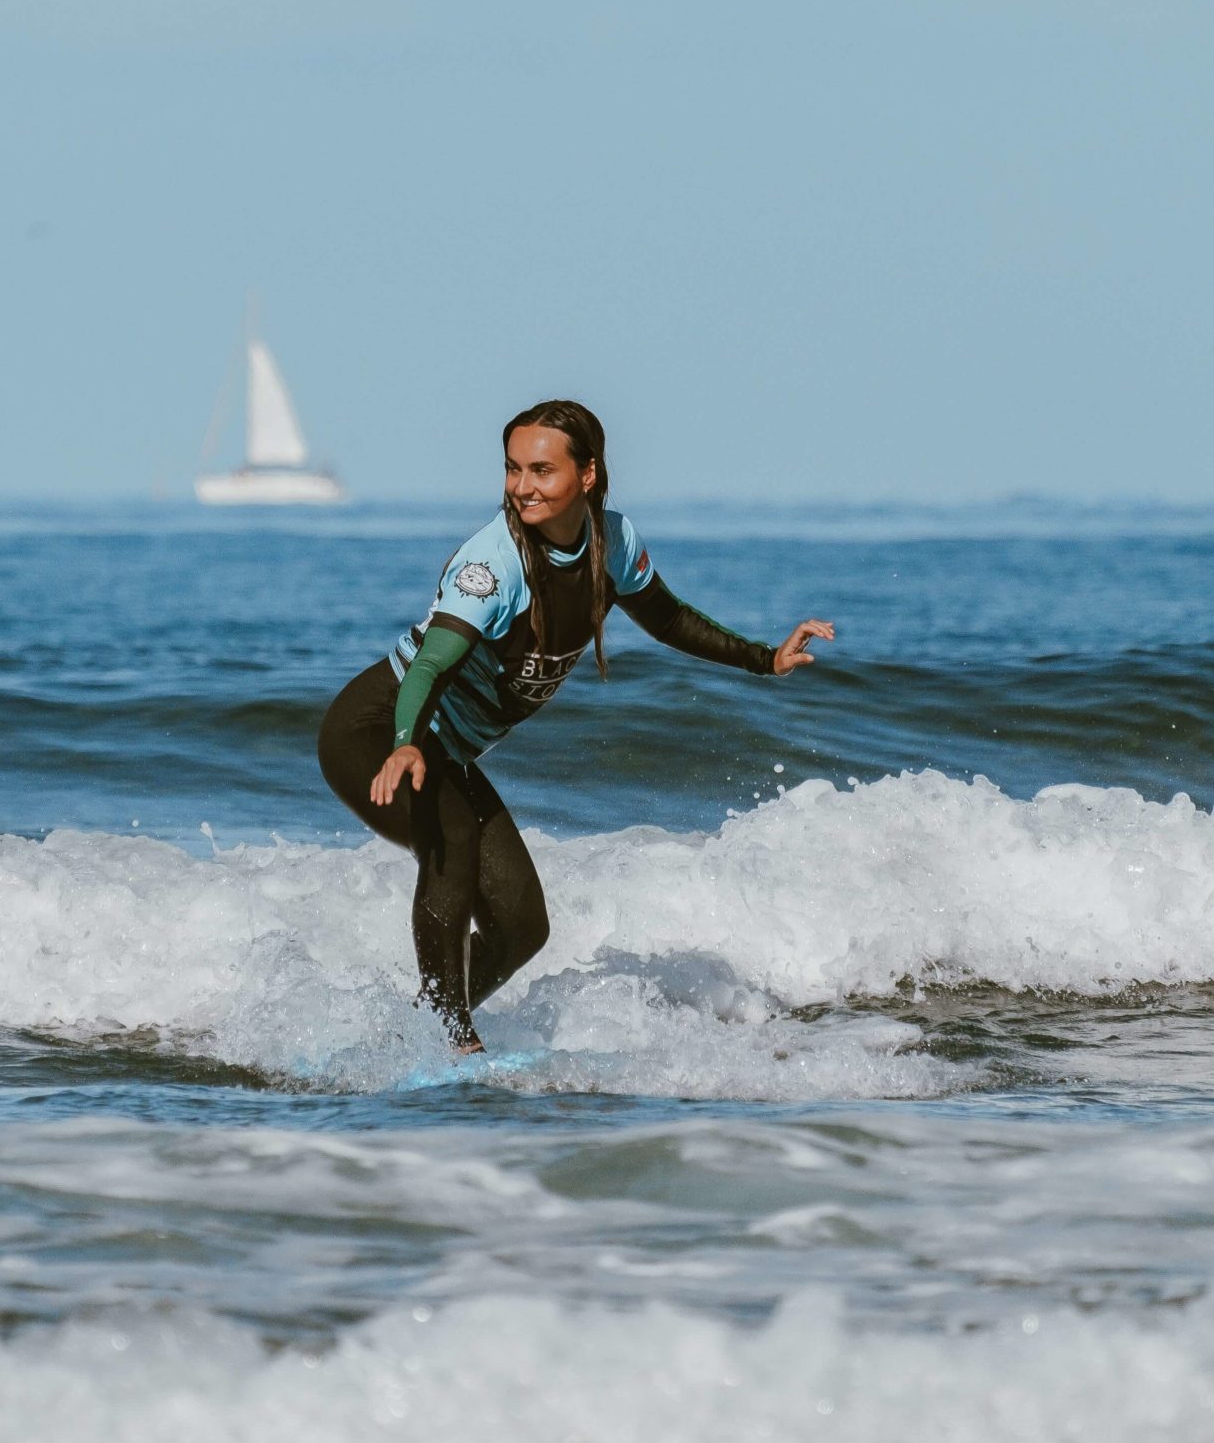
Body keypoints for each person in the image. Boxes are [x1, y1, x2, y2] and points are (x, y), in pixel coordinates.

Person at [316, 399, 835, 1053]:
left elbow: (669, 618)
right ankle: (452, 1038)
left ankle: (405, 1034)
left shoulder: (611, 542)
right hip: (375, 732)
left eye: (541, 470)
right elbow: (429, 666)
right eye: (512, 470)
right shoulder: (493, 566)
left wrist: (765, 658)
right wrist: (405, 744)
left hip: (441, 751)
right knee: (450, 837)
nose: (522, 487)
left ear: (587, 475)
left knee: (521, 926)